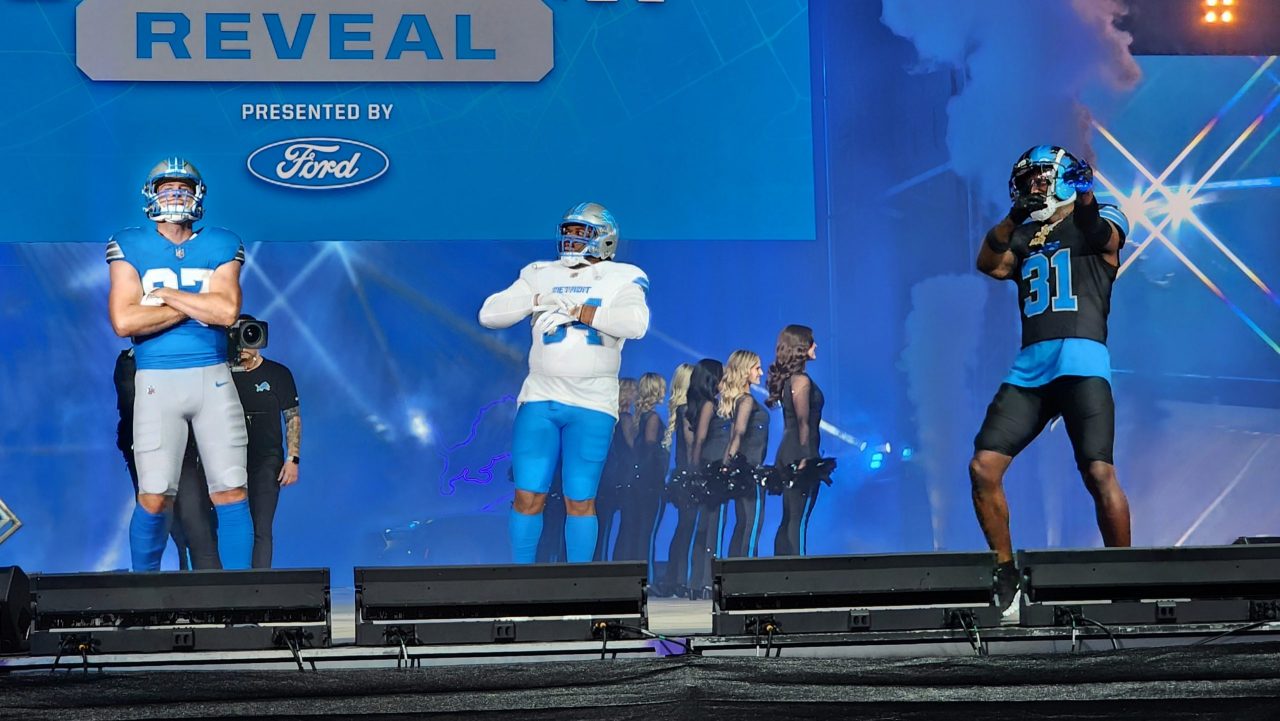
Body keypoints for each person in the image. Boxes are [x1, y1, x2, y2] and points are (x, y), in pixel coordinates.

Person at [971, 145, 1132, 615]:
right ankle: (1005, 571)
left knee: (1099, 471)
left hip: (1082, 359)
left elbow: (1101, 235)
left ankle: (1126, 575)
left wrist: (1084, 198)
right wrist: (1011, 216)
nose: (1034, 186)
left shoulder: (1099, 212)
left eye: (1042, 178)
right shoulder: (1022, 233)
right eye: (1028, 180)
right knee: (983, 467)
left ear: (1065, 178)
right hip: (1032, 366)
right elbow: (988, 262)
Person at [479, 202, 651, 563]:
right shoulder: (539, 272)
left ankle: (580, 584)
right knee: (527, 495)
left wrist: (576, 310)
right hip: (541, 396)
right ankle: (520, 582)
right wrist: (538, 300)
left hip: (593, 401)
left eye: (581, 233)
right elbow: (489, 314)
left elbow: (635, 324)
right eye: (569, 232)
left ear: (604, 238)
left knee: (580, 498)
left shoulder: (623, 275)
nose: (571, 240)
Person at [107, 157, 253, 572]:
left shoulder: (223, 242)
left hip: (213, 378)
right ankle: (144, 592)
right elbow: (124, 320)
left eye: (183, 188)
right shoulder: (128, 243)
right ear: (151, 195)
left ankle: (243, 595)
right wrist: (196, 307)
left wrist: (165, 293)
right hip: (156, 380)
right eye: (167, 187)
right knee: (153, 494)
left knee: (230, 490)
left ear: (198, 194)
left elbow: (226, 312)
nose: (175, 195)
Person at [113, 348, 207, 569]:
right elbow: (132, 406)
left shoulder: (189, 354)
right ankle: (148, 580)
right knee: (158, 509)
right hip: (147, 448)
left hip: (187, 449)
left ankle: (196, 574)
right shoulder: (130, 361)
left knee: (193, 516)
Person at [230, 315, 301, 568]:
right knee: (230, 524)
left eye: (248, 334)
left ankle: (260, 585)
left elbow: (292, 418)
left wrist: (292, 459)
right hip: (227, 458)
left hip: (266, 459)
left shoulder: (278, 374)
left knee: (262, 524)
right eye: (235, 335)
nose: (243, 342)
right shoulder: (220, 375)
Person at [767, 325, 825, 557]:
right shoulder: (800, 380)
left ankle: (782, 570)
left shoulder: (792, 380)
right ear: (801, 347)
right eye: (812, 342)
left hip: (792, 449)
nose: (816, 346)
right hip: (800, 451)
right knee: (797, 519)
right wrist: (806, 457)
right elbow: (803, 423)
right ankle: (796, 571)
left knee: (791, 516)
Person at [719, 351, 769, 558]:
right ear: (744, 370)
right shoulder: (746, 401)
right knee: (751, 524)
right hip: (751, 472)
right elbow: (737, 434)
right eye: (757, 368)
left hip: (746, 471)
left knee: (744, 524)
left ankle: (735, 573)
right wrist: (725, 465)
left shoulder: (741, 400)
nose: (761, 372)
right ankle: (746, 576)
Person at [616, 372, 667, 565]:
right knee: (644, 532)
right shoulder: (649, 418)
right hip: (647, 484)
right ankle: (647, 577)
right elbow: (647, 450)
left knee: (632, 530)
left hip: (635, 481)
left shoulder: (639, 418)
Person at [687, 359, 728, 599]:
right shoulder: (709, 405)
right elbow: (700, 439)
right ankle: (703, 581)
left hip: (708, 468)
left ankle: (699, 581)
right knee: (710, 526)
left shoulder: (707, 404)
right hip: (710, 470)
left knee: (706, 526)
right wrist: (695, 472)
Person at [655, 363, 694, 597]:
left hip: (679, 477)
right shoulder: (686, 410)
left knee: (683, 528)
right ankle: (677, 578)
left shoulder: (678, 410)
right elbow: (689, 447)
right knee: (686, 529)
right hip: (687, 477)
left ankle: (674, 577)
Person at [595, 379, 638, 561]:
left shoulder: (609, 417)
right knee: (607, 526)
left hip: (606, 476)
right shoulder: (626, 419)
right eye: (634, 391)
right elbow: (632, 447)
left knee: (601, 525)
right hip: (619, 476)